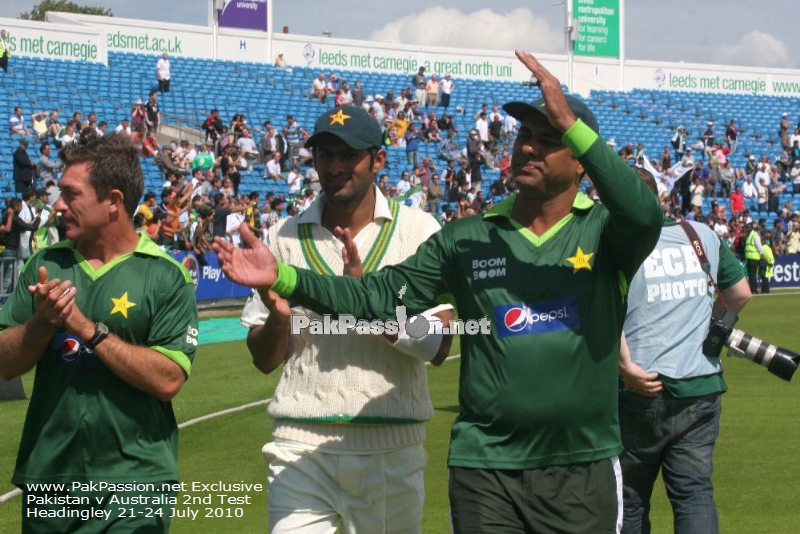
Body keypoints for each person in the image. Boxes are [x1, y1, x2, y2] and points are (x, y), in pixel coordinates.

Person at [213, 50, 663, 533]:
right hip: (486, 467)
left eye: (549, 139)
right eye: (524, 137)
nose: (528, 148)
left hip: (583, 463)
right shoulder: (467, 237)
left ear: (580, 162)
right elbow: (377, 296)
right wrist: (284, 278)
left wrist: (572, 122)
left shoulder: (607, 234)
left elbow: (644, 213)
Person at [236, 105, 453, 533]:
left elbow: (440, 345)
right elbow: (264, 360)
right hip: (299, 447)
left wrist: (370, 308)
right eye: (324, 155)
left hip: (391, 448)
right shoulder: (282, 236)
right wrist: (279, 321)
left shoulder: (419, 230)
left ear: (378, 159)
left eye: (347, 155)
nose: (333, 167)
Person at [0, 134, 198, 532]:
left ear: (113, 201)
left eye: (71, 195)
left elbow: (168, 379)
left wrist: (85, 328)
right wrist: (42, 323)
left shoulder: (164, 275)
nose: (58, 205)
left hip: (135, 484)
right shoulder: (47, 263)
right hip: (51, 481)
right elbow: (4, 364)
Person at [618, 169, 752, 534]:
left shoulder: (616, 245)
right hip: (701, 385)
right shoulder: (700, 234)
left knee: (629, 497)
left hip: (640, 386)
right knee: (694, 495)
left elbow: (603, 314)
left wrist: (625, 367)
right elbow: (740, 294)